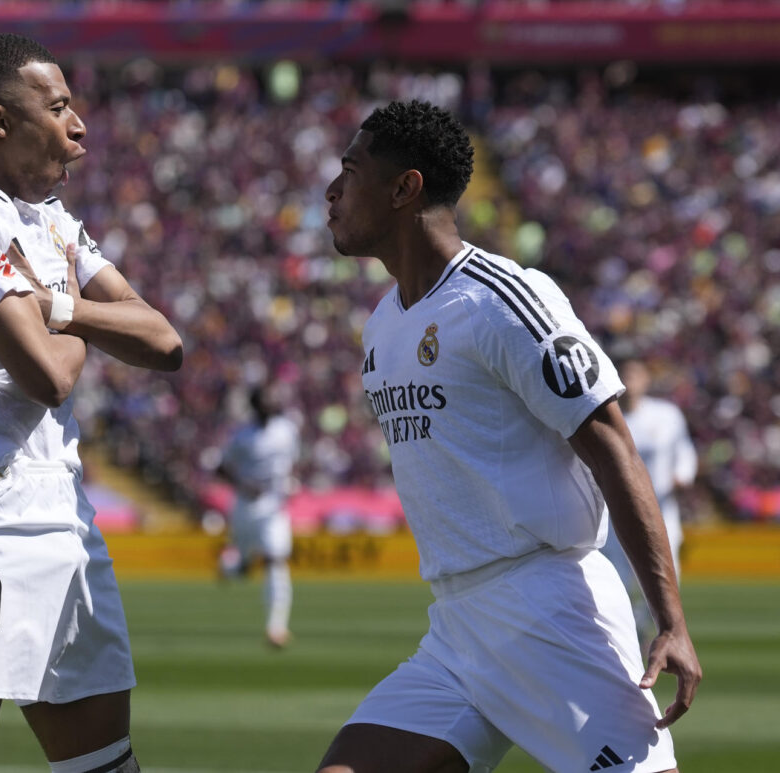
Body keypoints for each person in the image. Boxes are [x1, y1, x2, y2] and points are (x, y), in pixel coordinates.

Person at [317, 100, 701, 773]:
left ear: (405, 188)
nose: (332, 190)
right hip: (458, 627)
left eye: (350, 171)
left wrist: (670, 616)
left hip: (549, 609)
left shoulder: (503, 300)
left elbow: (609, 438)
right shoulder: (383, 323)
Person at [0, 33, 182, 773]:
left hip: (66, 523)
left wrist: (56, 305)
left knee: (105, 762)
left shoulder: (49, 221)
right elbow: (48, 375)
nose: (78, 125)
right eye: (57, 106)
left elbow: (164, 341)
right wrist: (74, 307)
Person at [602, 356, 698, 641]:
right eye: (625, 374)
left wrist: (682, 475)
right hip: (615, 513)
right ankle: (624, 635)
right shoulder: (605, 415)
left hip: (661, 510)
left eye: (635, 374)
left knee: (667, 580)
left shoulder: (666, 415)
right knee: (616, 581)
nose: (630, 382)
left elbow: (684, 451)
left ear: (646, 379)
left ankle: (646, 629)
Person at [216, 384, 300, 648]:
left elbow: (292, 462)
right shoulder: (242, 436)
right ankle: (231, 566)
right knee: (243, 566)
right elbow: (222, 468)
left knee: (276, 560)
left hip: (274, 509)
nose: (270, 403)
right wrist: (243, 484)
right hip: (245, 507)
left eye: (272, 398)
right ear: (255, 405)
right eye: (264, 400)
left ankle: (276, 628)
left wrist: (289, 482)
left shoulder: (287, 430)